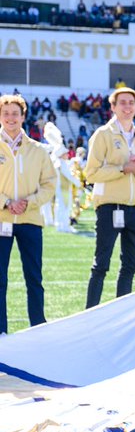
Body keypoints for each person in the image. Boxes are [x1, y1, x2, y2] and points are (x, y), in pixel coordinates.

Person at [84, 86, 135, 307]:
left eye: (131, 103)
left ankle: (120, 312)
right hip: (109, 208)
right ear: (113, 107)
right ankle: (90, 313)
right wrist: (123, 168)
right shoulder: (102, 135)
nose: (128, 107)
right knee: (101, 264)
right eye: (122, 102)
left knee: (130, 264)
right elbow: (91, 173)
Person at [0, 94, 55, 334]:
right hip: (1, 220)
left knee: (34, 278)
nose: (10, 118)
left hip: (30, 220)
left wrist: (28, 203)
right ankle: (1, 330)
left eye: (15, 113)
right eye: (6, 113)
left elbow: (50, 184)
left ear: (23, 117)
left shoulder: (38, 150)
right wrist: (5, 203)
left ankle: (38, 328)